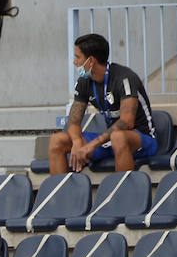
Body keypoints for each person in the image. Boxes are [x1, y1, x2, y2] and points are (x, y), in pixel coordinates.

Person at [49, 33, 157, 174]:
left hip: (141, 139)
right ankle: (60, 194)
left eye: (77, 57)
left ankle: (123, 194)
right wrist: (77, 142)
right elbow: (74, 121)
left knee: (118, 137)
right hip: (110, 140)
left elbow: (126, 123)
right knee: (57, 140)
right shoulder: (84, 81)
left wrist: (91, 145)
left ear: (91, 61)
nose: (74, 62)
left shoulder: (124, 78)